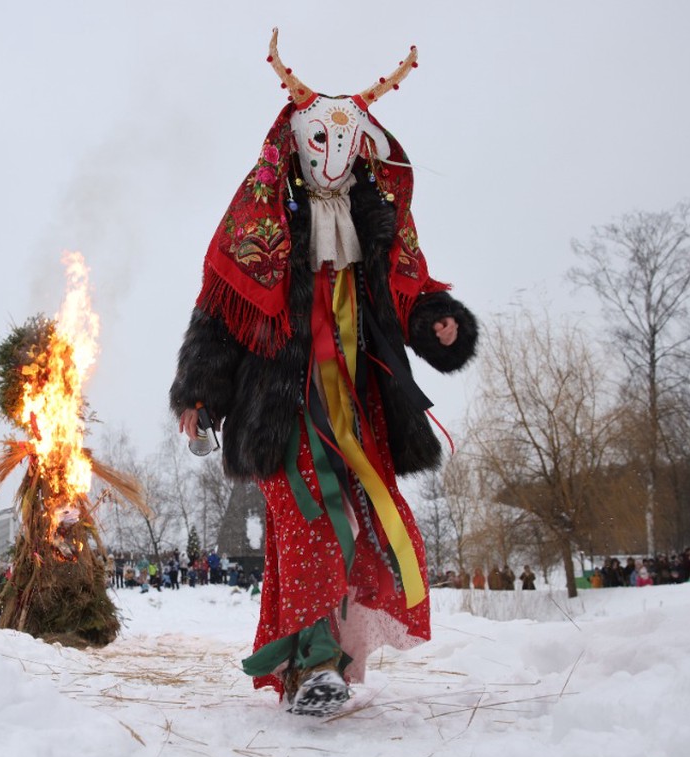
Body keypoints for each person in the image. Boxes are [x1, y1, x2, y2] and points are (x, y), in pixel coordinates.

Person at [171, 31, 477, 716]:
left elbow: (409, 290)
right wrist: (198, 388)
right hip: (281, 401)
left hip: (357, 406)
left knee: (356, 522)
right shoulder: (263, 223)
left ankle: (320, 659)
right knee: (307, 516)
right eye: (319, 149)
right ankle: (312, 663)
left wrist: (440, 321)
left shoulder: (377, 224)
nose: (332, 164)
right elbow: (221, 310)